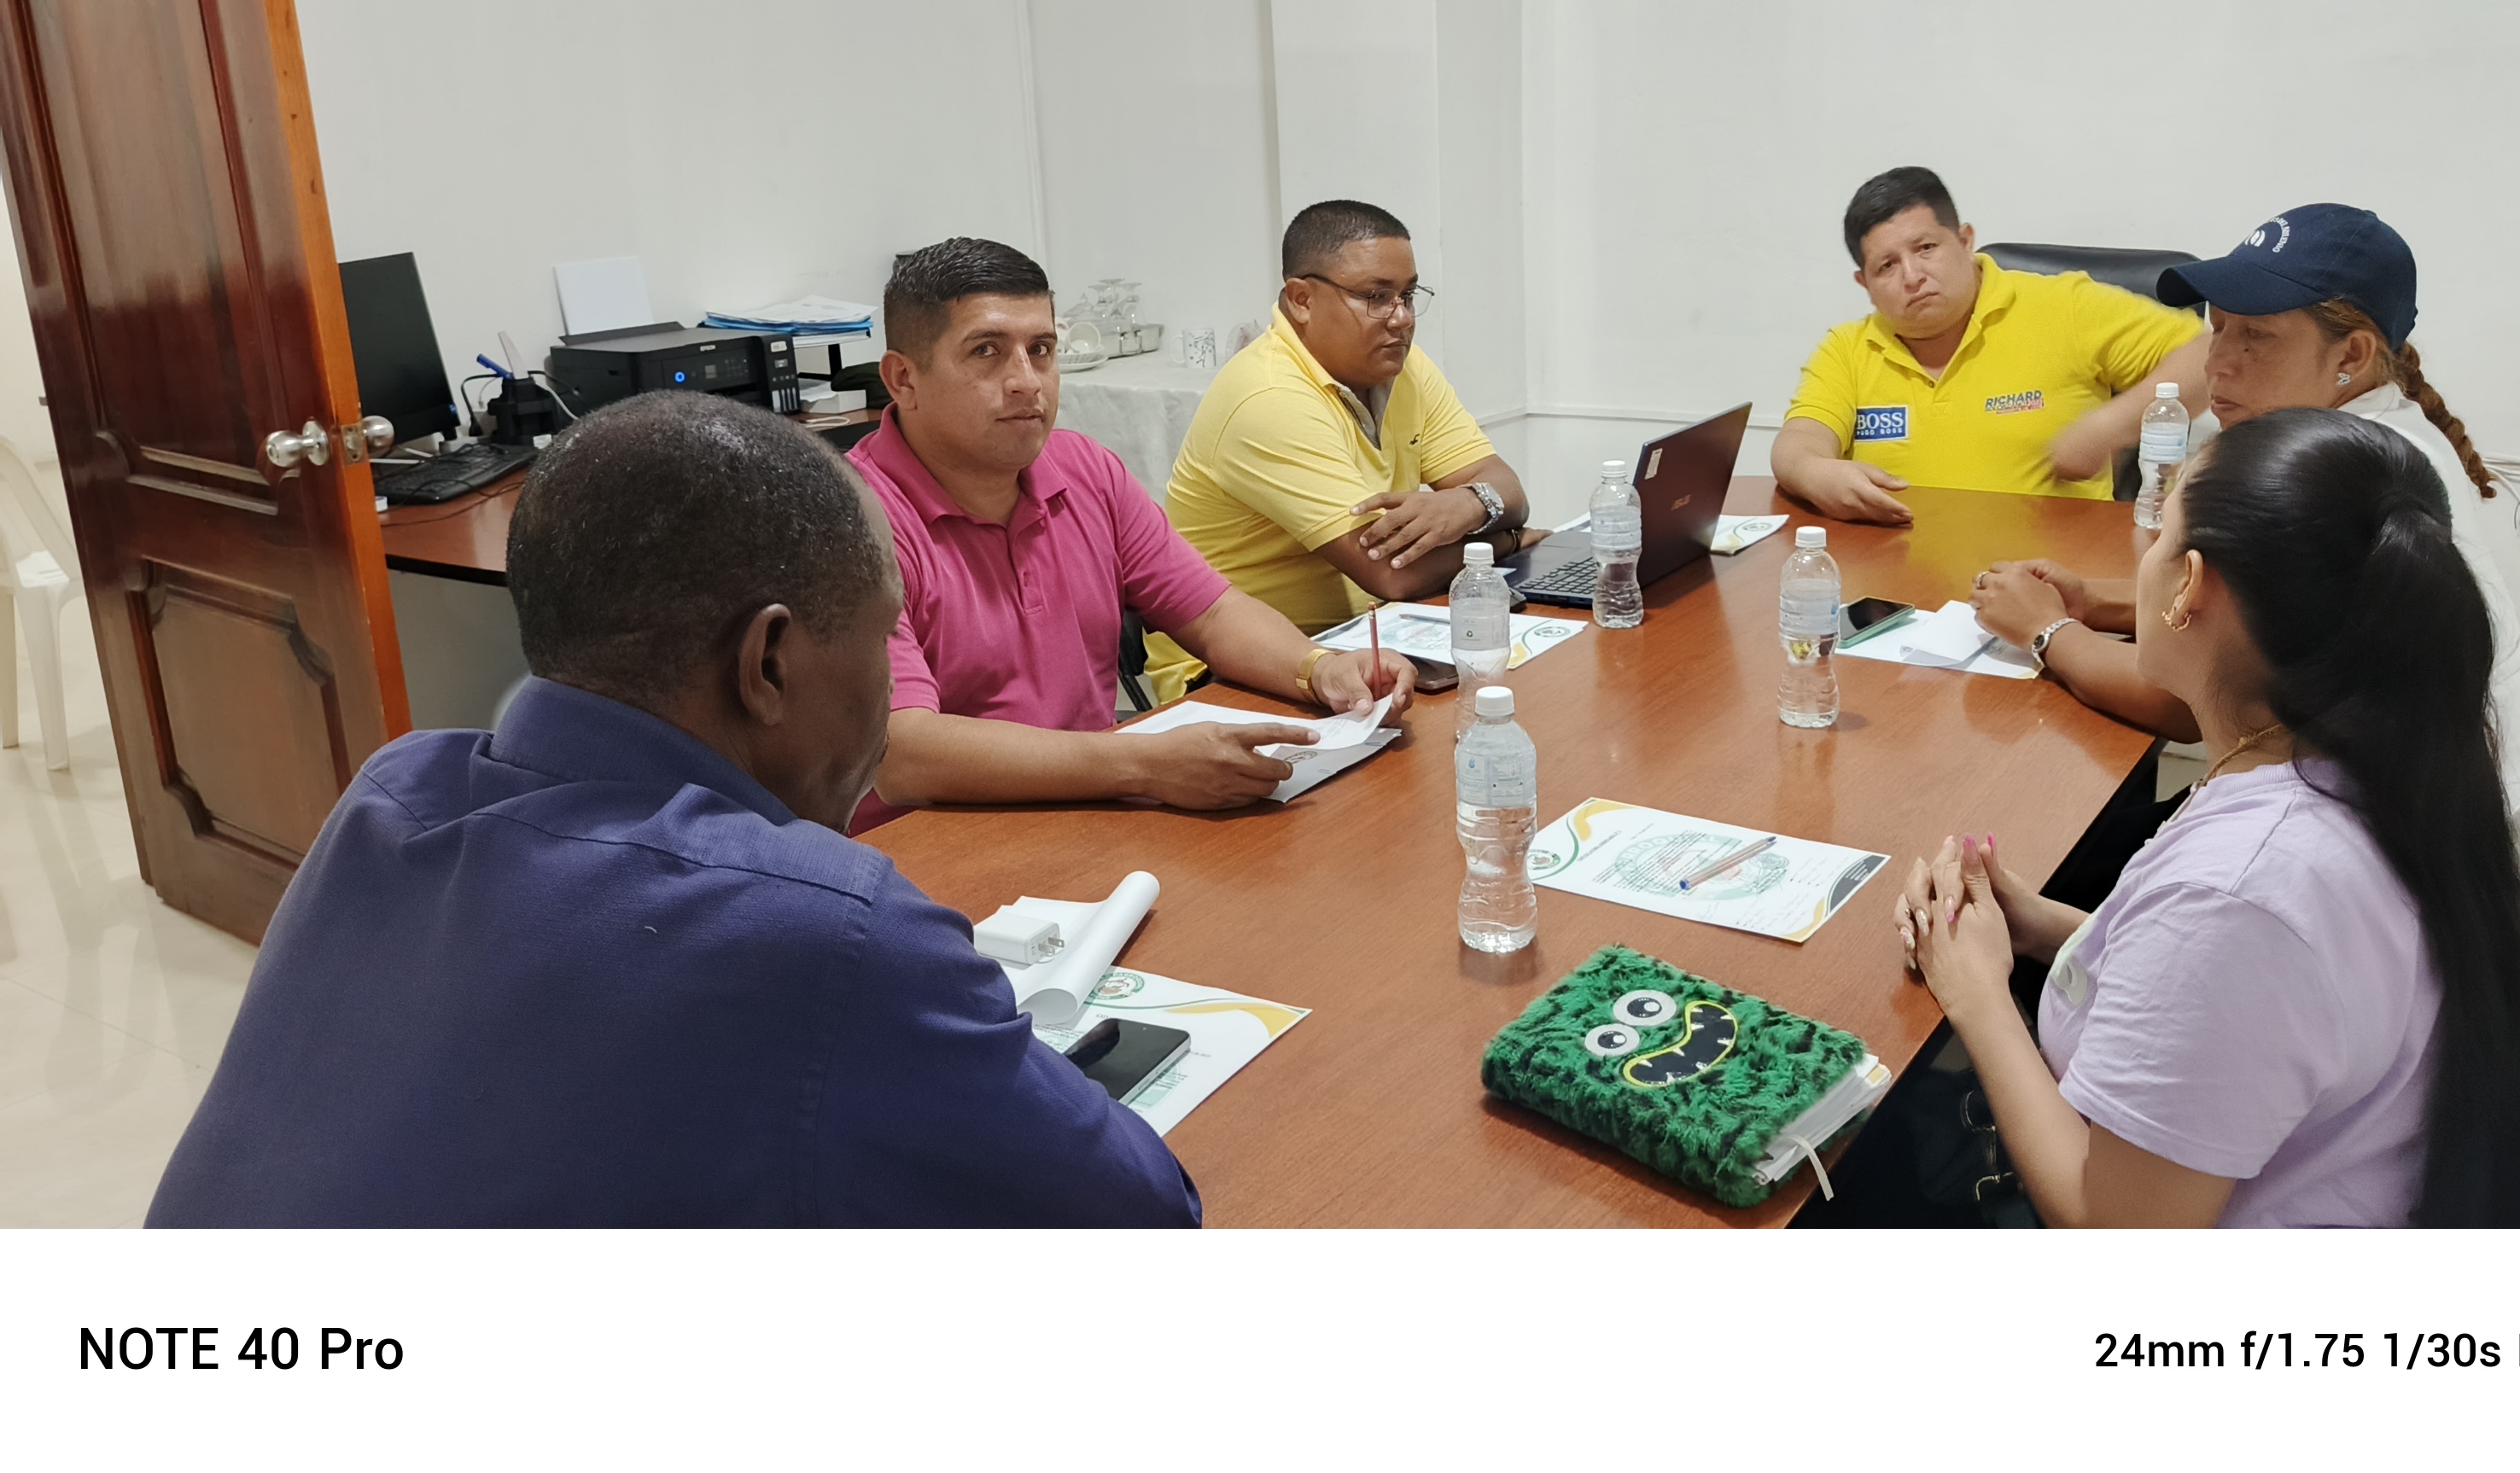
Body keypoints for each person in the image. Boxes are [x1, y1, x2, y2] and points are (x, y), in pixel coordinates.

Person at [146, 393, 1201, 1227]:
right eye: (881, 644)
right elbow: (1142, 1210)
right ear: (768, 662)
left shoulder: (390, 793)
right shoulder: (823, 926)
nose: (891, 694)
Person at [1898, 410, 2520, 1227]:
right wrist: (2045, 928)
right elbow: (2248, 1002)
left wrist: (1977, 994)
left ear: (2190, 587)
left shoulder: (2240, 892)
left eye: (2161, 534)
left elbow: (2118, 1228)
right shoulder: (2377, 764)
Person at [1968, 204, 2520, 818]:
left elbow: (2184, 700)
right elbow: (2246, 611)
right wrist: (2094, 600)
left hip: (2440, 849)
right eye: (2219, 327)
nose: (2218, 362)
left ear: (2351, 356)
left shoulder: (2321, 480)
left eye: (2256, 336)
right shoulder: (2394, 433)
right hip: (2491, 817)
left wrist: (2046, 631)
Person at [849, 237, 1413, 828]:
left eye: (1041, 350)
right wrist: (1142, 765)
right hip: (931, 845)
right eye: (986, 351)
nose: (1027, 381)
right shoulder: (854, 524)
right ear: (903, 379)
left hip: (1091, 809)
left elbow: (1212, 613)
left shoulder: (1085, 470)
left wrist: (1319, 669)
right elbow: (903, 752)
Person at [1164, 200, 1536, 636]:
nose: (1402, 318)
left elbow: (1510, 491)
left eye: (1408, 295)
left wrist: (1469, 502)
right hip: (1244, 658)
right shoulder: (1270, 396)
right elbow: (1392, 573)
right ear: (1302, 300)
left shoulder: (1402, 366)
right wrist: (1507, 539)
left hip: (1371, 630)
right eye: (1376, 297)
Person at [1770, 166, 2212, 527]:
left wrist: (2107, 428)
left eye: (1926, 248)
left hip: (2050, 580)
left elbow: (2211, 359)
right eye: (1886, 266)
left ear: (1965, 241)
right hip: (1896, 583)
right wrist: (1815, 472)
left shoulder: (2064, 306)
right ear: (1864, 283)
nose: (1912, 276)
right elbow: (1799, 442)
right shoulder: (1848, 349)